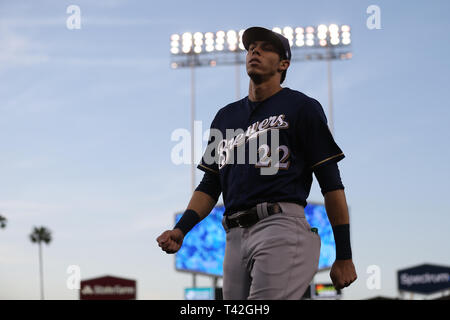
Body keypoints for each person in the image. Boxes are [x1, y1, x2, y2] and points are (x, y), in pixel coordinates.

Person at [157, 26, 357, 299]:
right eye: (251, 47)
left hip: (280, 226)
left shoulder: (302, 107)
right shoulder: (225, 117)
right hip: (234, 236)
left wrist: (344, 255)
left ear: (284, 64)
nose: (255, 51)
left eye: (266, 47)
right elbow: (210, 184)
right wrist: (182, 229)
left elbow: (332, 184)